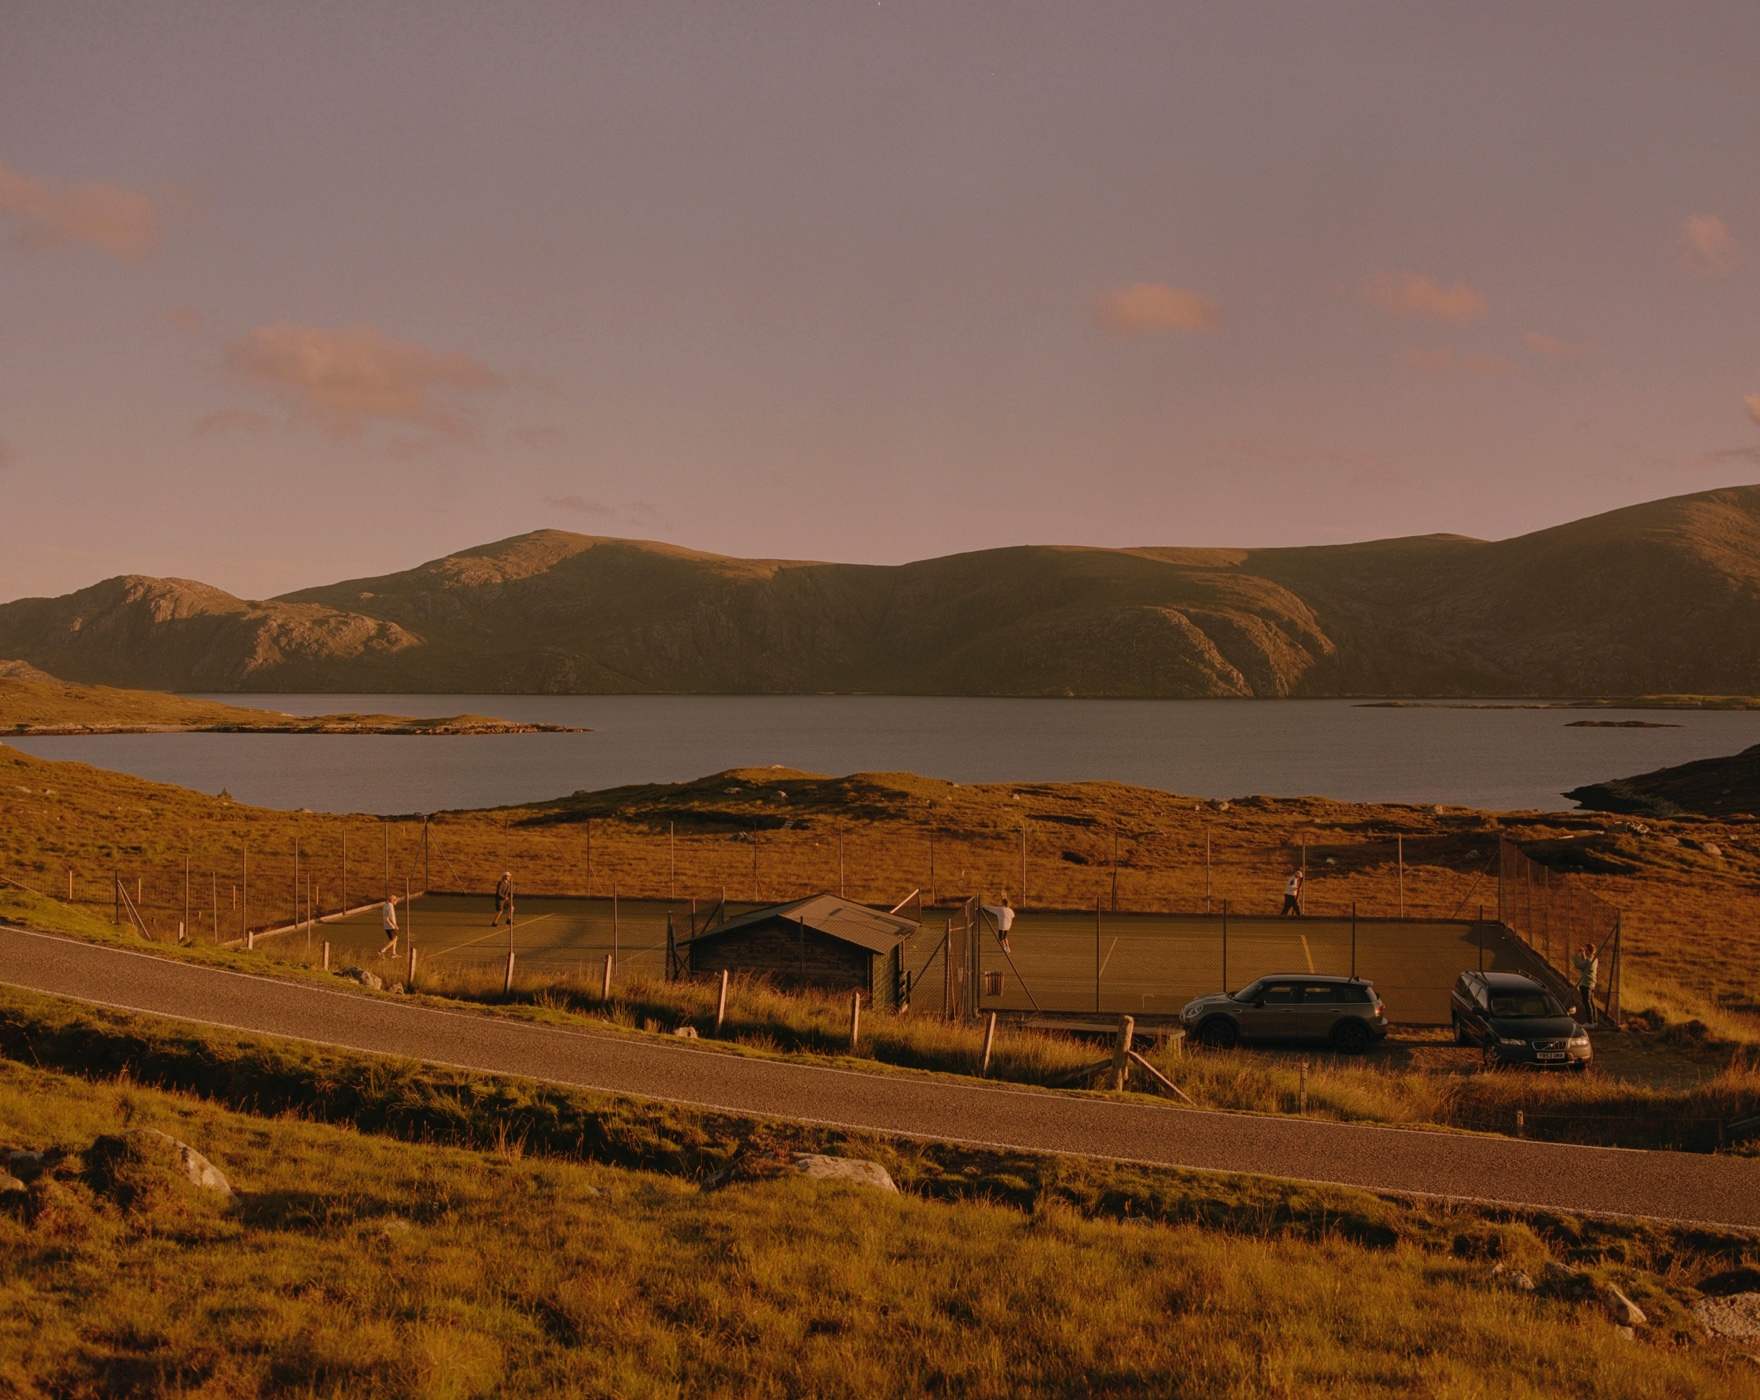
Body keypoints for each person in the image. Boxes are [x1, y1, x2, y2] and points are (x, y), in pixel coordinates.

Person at [1573, 942, 1599, 1028]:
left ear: (1589, 951)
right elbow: (1585, 963)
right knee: (1591, 1002)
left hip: (1586, 984)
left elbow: (1579, 965)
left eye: (1586, 949)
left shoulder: (1589, 961)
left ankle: (1590, 1022)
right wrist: (1583, 954)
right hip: (1591, 984)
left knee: (1587, 1003)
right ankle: (1594, 1021)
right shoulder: (1594, 959)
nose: (1585, 951)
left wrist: (1576, 955)